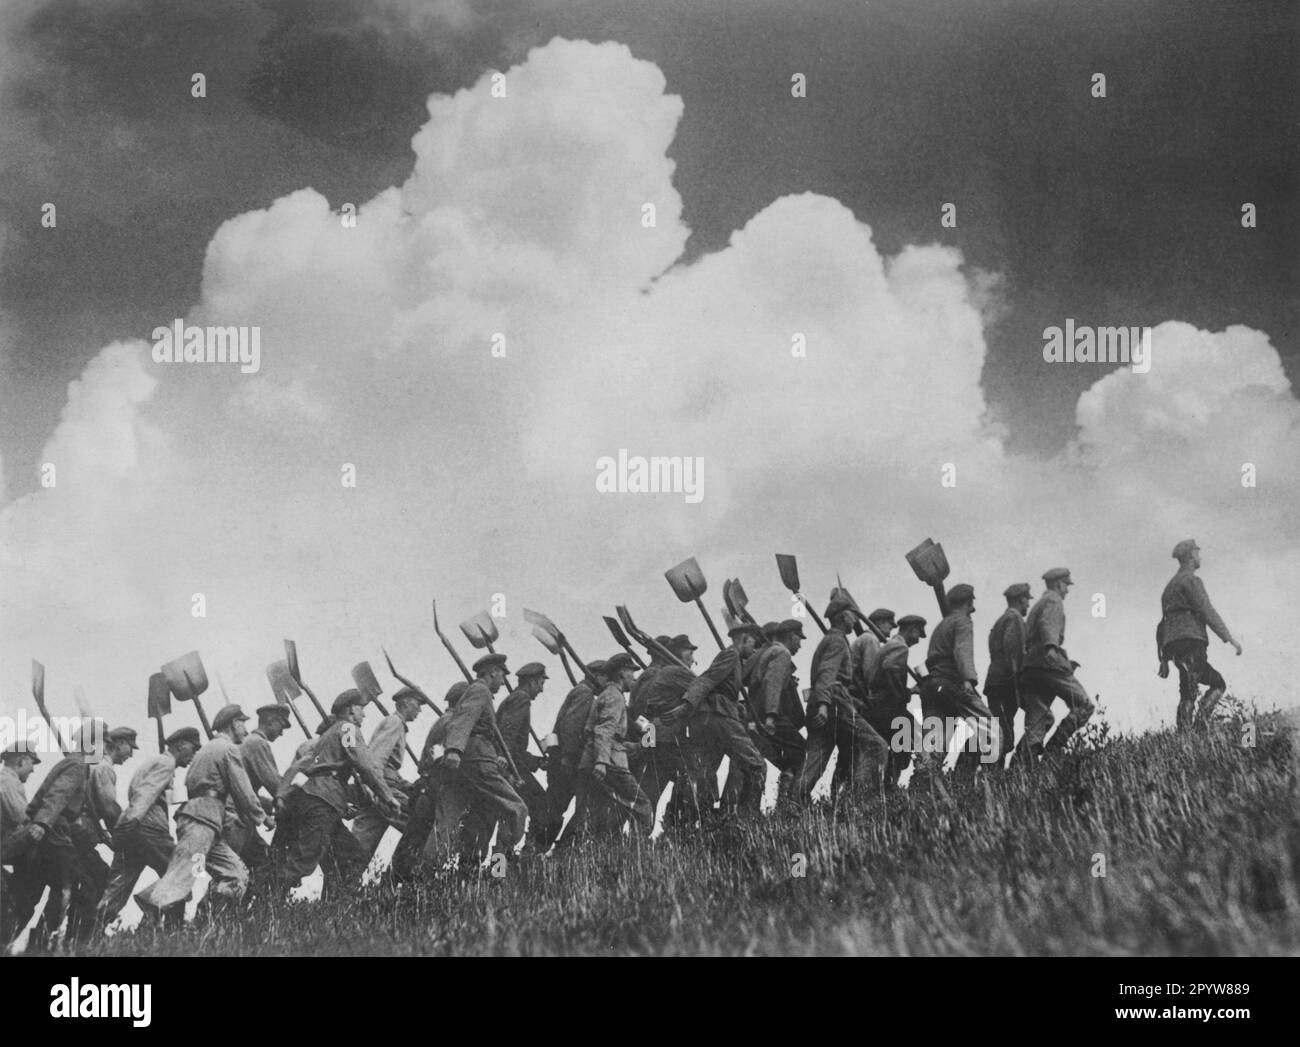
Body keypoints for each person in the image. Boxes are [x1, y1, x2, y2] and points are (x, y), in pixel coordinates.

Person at [136, 706, 266, 919]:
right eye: (243, 723)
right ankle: (152, 906)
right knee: (183, 874)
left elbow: (187, 789)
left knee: (235, 875)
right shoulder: (227, 749)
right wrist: (262, 817)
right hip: (201, 820)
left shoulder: (206, 751)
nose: (245, 729)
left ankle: (207, 923)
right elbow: (243, 790)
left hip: (206, 822)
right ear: (234, 723)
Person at [278, 691, 396, 898]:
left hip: (323, 800)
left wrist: (281, 795)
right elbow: (363, 763)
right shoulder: (348, 728)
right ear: (351, 709)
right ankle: (263, 896)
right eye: (361, 709)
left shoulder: (328, 734)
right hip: (323, 801)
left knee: (351, 856)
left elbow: (299, 766)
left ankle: (333, 908)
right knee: (304, 861)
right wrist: (387, 795)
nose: (364, 715)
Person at [422, 655, 527, 870]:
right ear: (493, 673)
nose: (503, 681)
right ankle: (499, 870)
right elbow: (463, 719)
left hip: (471, 761)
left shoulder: (479, 692)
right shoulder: (480, 690)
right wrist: (453, 750)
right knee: (515, 809)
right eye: (502, 675)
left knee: (451, 822)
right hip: (478, 759)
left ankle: (426, 873)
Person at [97, 727, 200, 928]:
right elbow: (146, 793)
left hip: (135, 832)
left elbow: (160, 795)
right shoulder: (166, 763)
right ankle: (173, 928)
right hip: (150, 830)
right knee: (181, 873)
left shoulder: (156, 763)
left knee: (117, 888)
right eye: (194, 748)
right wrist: (130, 822)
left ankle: (88, 932)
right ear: (182, 745)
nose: (194, 754)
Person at [794, 596, 888, 803]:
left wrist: (821, 703)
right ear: (843, 616)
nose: (855, 620)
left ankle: (792, 805)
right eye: (852, 615)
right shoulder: (836, 641)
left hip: (823, 702)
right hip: (835, 702)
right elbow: (827, 673)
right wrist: (824, 705)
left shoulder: (829, 640)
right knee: (876, 745)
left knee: (815, 762)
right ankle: (861, 801)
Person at [1158, 539, 1242, 729]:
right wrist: (1229, 638)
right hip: (1192, 639)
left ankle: (1184, 735)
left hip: (1173, 645)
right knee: (1218, 684)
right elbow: (1206, 610)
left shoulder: (1169, 588)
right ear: (1190, 556)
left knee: (1187, 689)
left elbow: (1161, 625)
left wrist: (1163, 658)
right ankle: (1200, 727)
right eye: (1197, 552)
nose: (1199, 556)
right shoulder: (1191, 580)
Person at [916, 585, 995, 785]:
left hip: (932, 687)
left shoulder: (941, 625)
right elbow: (962, 651)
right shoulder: (963, 622)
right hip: (951, 684)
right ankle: (979, 780)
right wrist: (969, 680)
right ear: (969, 603)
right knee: (991, 730)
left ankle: (921, 788)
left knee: (934, 743)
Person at [570, 653, 654, 840]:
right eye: (632, 672)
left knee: (591, 816)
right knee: (643, 806)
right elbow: (604, 730)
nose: (634, 677)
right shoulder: (615, 696)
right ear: (622, 673)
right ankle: (639, 851)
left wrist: (631, 747)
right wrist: (602, 761)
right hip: (609, 763)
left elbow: (605, 733)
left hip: (592, 760)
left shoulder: (607, 695)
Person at [1015, 569, 1095, 764]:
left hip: (1032, 667)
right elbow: (1048, 624)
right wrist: (1051, 648)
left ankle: (1021, 767)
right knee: (1084, 705)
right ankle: (1053, 752)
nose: (1067, 590)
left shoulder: (1038, 604)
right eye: (1066, 585)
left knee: (1036, 722)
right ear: (1059, 584)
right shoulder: (1053, 601)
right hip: (1047, 662)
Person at [352, 689, 424, 861]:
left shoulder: (396, 724)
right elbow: (376, 759)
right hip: (383, 789)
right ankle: (399, 876)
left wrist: (406, 785)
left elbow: (388, 767)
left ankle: (343, 884)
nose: (420, 710)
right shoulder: (394, 723)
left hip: (382, 786)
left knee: (360, 847)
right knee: (421, 824)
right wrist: (375, 789)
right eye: (418, 704)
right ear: (406, 703)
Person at [863, 615, 926, 789]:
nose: (918, 640)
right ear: (910, 630)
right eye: (917, 635)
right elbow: (891, 672)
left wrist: (908, 691)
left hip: (879, 707)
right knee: (919, 738)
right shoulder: (900, 647)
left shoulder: (889, 645)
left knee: (901, 749)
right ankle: (901, 784)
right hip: (888, 708)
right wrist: (904, 695)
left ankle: (888, 785)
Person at [749, 619, 808, 807]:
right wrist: (771, 716)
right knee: (801, 750)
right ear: (791, 637)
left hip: (755, 713)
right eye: (799, 639)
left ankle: (785, 800)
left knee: (787, 756)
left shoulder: (764, 653)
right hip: (768, 714)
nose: (800, 644)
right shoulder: (782, 653)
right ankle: (789, 803)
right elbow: (771, 684)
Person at [493, 664, 550, 851]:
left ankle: (499, 869)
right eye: (541, 683)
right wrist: (503, 759)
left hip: (510, 761)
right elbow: (507, 733)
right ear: (532, 682)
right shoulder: (521, 699)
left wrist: (537, 762)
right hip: (509, 766)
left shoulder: (515, 698)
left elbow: (516, 747)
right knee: (540, 804)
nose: (542, 689)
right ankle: (529, 854)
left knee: (508, 819)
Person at [1, 743, 40, 943]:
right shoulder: (8, 781)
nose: (33, 769)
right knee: (19, 903)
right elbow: (22, 818)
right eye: (31, 763)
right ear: (21, 760)